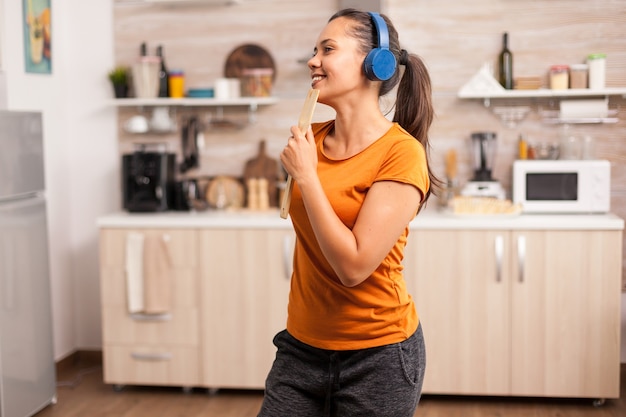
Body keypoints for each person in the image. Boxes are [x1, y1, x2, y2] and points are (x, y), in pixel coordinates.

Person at [258, 8, 438, 417]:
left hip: (378, 356)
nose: (312, 60)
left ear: (375, 62)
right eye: (314, 50)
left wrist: (307, 176)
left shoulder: (400, 153)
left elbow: (354, 266)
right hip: (301, 346)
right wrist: (303, 170)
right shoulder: (311, 137)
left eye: (328, 49)